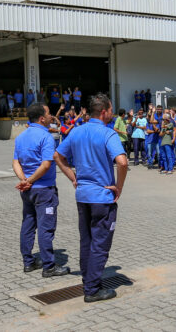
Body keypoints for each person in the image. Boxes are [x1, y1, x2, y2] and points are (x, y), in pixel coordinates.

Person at [53, 94, 128, 303]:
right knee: (100, 244)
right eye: (111, 109)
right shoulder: (108, 134)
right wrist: (119, 187)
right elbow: (122, 162)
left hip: (83, 196)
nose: (112, 112)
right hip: (102, 198)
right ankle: (93, 290)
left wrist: (73, 178)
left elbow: (57, 156)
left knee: (87, 241)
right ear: (104, 111)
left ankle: (89, 281)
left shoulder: (76, 131)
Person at [12, 103, 71, 277]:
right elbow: (46, 165)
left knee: (28, 224)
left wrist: (23, 180)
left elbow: (16, 162)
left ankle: (28, 262)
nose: (51, 116)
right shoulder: (46, 137)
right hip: (44, 189)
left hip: (28, 191)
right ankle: (49, 266)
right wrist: (28, 180)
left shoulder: (21, 137)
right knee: (46, 228)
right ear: (41, 118)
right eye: (48, 113)